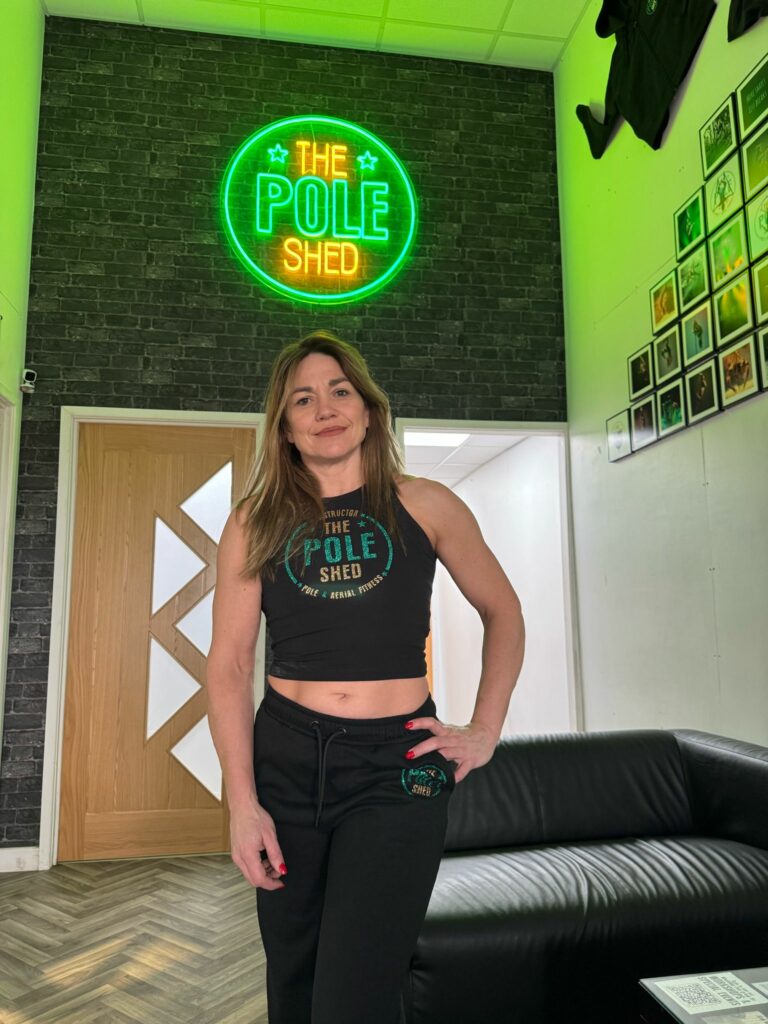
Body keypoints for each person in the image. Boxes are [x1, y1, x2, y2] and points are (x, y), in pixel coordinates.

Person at [206, 330, 526, 1024]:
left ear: (369, 409)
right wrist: (241, 803)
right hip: (288, 758)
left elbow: (504, 612)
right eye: (303, 399)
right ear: (284, 428)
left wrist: (485, 729)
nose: (325, 408)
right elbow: (228, 667)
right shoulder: (255, 521)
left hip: (396, 767)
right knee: (294, 980)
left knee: (356, 996)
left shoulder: (428, 505)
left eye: (340, 391)